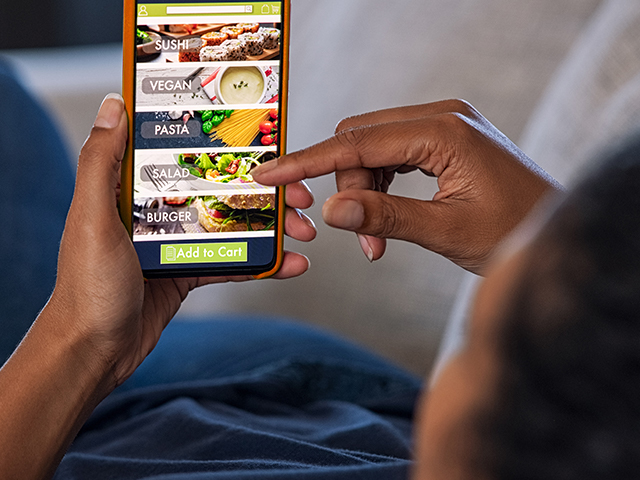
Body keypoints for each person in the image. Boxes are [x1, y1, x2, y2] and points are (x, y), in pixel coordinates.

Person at [1, 58, 638, 480]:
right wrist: (572, 249)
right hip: (297, 386)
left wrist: (81, 339)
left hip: (83, 404)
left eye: (480, 338)